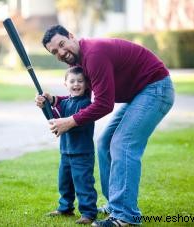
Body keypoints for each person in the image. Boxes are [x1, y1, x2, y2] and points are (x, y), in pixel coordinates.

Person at [36, 25, 174, 226]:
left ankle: (125, 215)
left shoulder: (94, 54)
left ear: (71, 37)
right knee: (104, 143)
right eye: (55, 52)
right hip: (139, 94)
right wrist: (54, 99)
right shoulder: (80, 60)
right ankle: (115, 205)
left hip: (155, 88)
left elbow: (103, 104)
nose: (61, 52)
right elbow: (81, 98)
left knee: (122, 144)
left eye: (62, 45)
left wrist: (69, 122)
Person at [37, 66, 98, 225]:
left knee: (83, 183)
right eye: (72, 81)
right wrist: (45, 106)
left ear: (86, 85)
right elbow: (55, 118)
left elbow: (79, 123)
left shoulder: (86, 104)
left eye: (80, 81)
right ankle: (65, 208)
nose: (76, 84)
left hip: (82, 153)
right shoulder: (65, 102)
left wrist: (66, 121)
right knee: (65, 183)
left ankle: (88, 212)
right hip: (66, 152)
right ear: (65, 83)